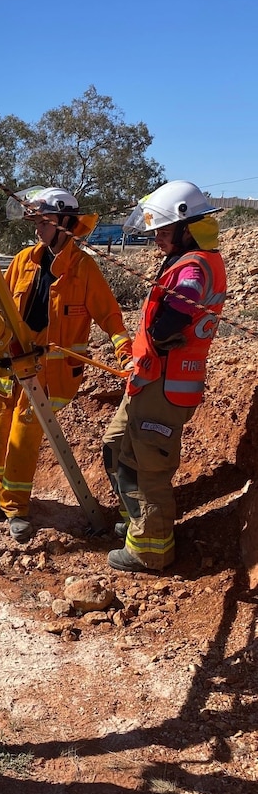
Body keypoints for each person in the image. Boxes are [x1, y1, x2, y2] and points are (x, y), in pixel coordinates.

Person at [0, 186, 133, 542]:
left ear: (65, 222)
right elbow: (0, 308)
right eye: (35, 220)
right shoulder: (23, 260)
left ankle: (16, 507)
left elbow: (110, 317)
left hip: (50, 372)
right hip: (9, 364)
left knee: (23, 431)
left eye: (43, 220)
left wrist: (125, 353)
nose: (37, 228)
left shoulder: (83, 268)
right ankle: (1, 496)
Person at [103, 181, 226, 572]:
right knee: (116, 445)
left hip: (166, 385)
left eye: (163, 230)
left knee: (147, 465)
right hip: (149, 378)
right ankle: (139, 524)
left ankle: (152, 550)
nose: (156, 238)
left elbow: (173, 318)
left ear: (187, 228)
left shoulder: (194, 266)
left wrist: (160, 333)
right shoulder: (188, 258)